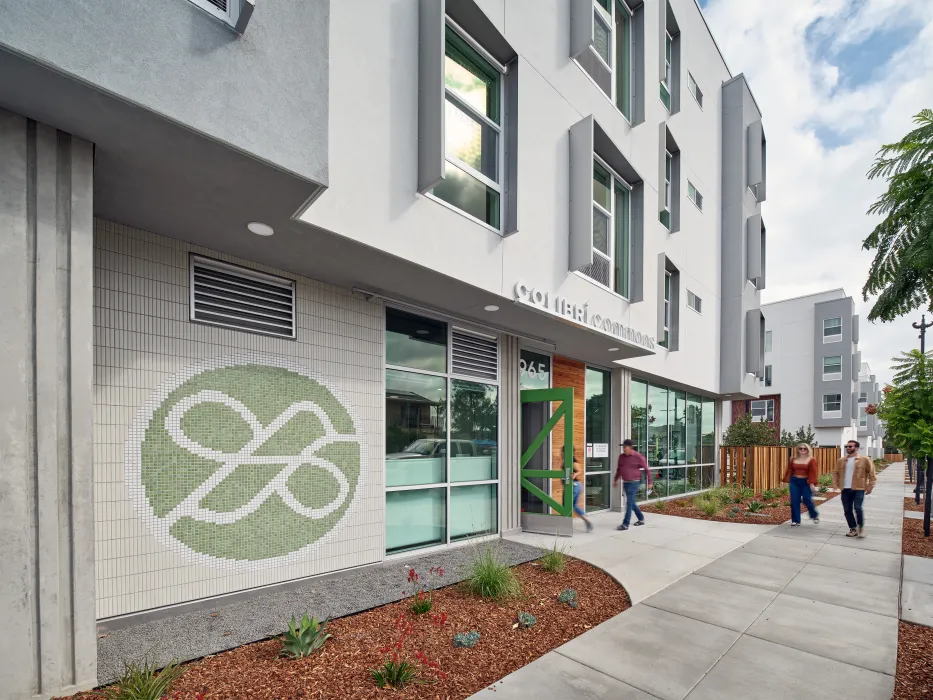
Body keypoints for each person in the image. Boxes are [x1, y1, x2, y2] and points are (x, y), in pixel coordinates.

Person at [834, 440, 875, 537]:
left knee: (858, 508)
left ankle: (861, 528)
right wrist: (835, 484)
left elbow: (872, 474)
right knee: (847, 510)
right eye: (847, 446)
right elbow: (835, 473)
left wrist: (870, 486)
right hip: (845, 489)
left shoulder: (865, 459)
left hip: (859, 488)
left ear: (856, 448)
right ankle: (853, 528)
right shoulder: (841, 460)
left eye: (850, 446)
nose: (848, 448)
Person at [614, 439, 653, 531]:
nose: (623, 448)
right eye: (623, 447)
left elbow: (647, 469)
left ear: (630, 447)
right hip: (626, 482)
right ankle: (641, 518)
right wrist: (615, 480)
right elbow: (619, 469)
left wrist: (650, 482)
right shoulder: (621, 457)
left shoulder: (638, 456)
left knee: (628, 503)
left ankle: (625, 524)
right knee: (631, 502)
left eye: (625, 447)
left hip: (634, 482)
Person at [782, 443, 819, 526]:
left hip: (806, 481)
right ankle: (795, 520)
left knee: (807, 499)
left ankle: (813, 514)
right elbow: (789, 470)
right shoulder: (793, 459)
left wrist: (812, 483)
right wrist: (786, 481)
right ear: (797, 449)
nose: (802, 450)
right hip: (794, 481)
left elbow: (813, 472)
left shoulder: (811, 459)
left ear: (808, 450)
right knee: (794, 500)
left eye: (804, 449)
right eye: (800, 448)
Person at [571, 455, 594, 532]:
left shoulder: (574, 463)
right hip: (573, 486)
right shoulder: (565, 462)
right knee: (573, 506)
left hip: (575, 485)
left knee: (568, 505)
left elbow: (579, 471)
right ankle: (587, 521)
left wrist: (575, 475)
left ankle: (563, 526)